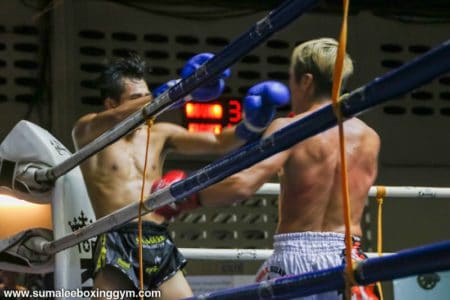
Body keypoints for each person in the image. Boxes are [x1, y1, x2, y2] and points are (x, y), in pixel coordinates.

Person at [72, 53, 289, 299]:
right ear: (111, 104)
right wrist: (177, 93)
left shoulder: (160, 134)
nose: (146, 104)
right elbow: (113, 120)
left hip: (156, 237)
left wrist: (250, 126)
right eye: (136, 98)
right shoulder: (88, 132)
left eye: (146, 95)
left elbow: (218, 142)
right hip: (115, 237)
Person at [201, 38, 381, 299]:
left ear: (306, 81)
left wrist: (184, 196)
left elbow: (243, 184)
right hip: (349, 258)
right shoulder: (369, 137)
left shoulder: (288, 129)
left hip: (293, 257)